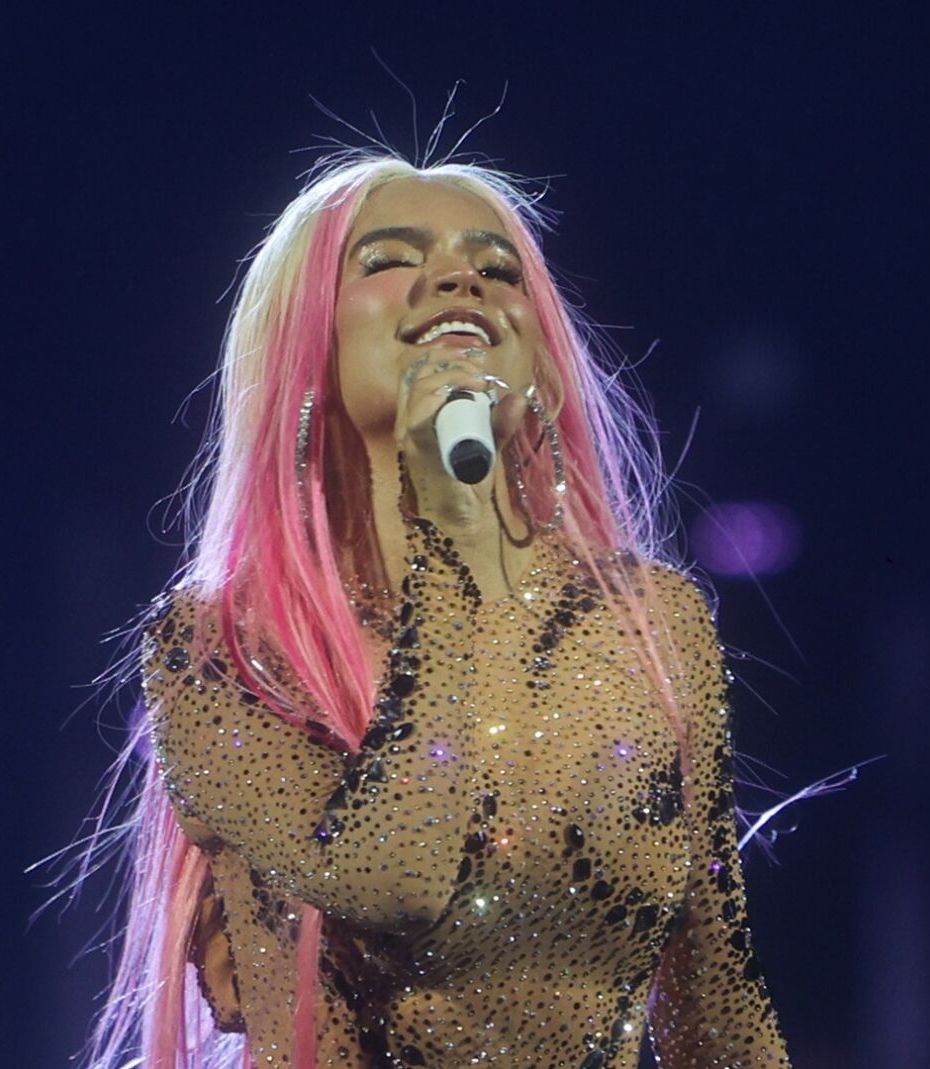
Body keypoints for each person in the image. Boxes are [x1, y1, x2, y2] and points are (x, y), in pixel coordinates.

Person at [78, 153, 792, 1069]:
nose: (461, 279)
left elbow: (717, 1006)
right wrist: (462, 545)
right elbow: (399, 876)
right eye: (388, 259)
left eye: (498, 270)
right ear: (309, 342)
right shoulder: (225, 647)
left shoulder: (655, 626)